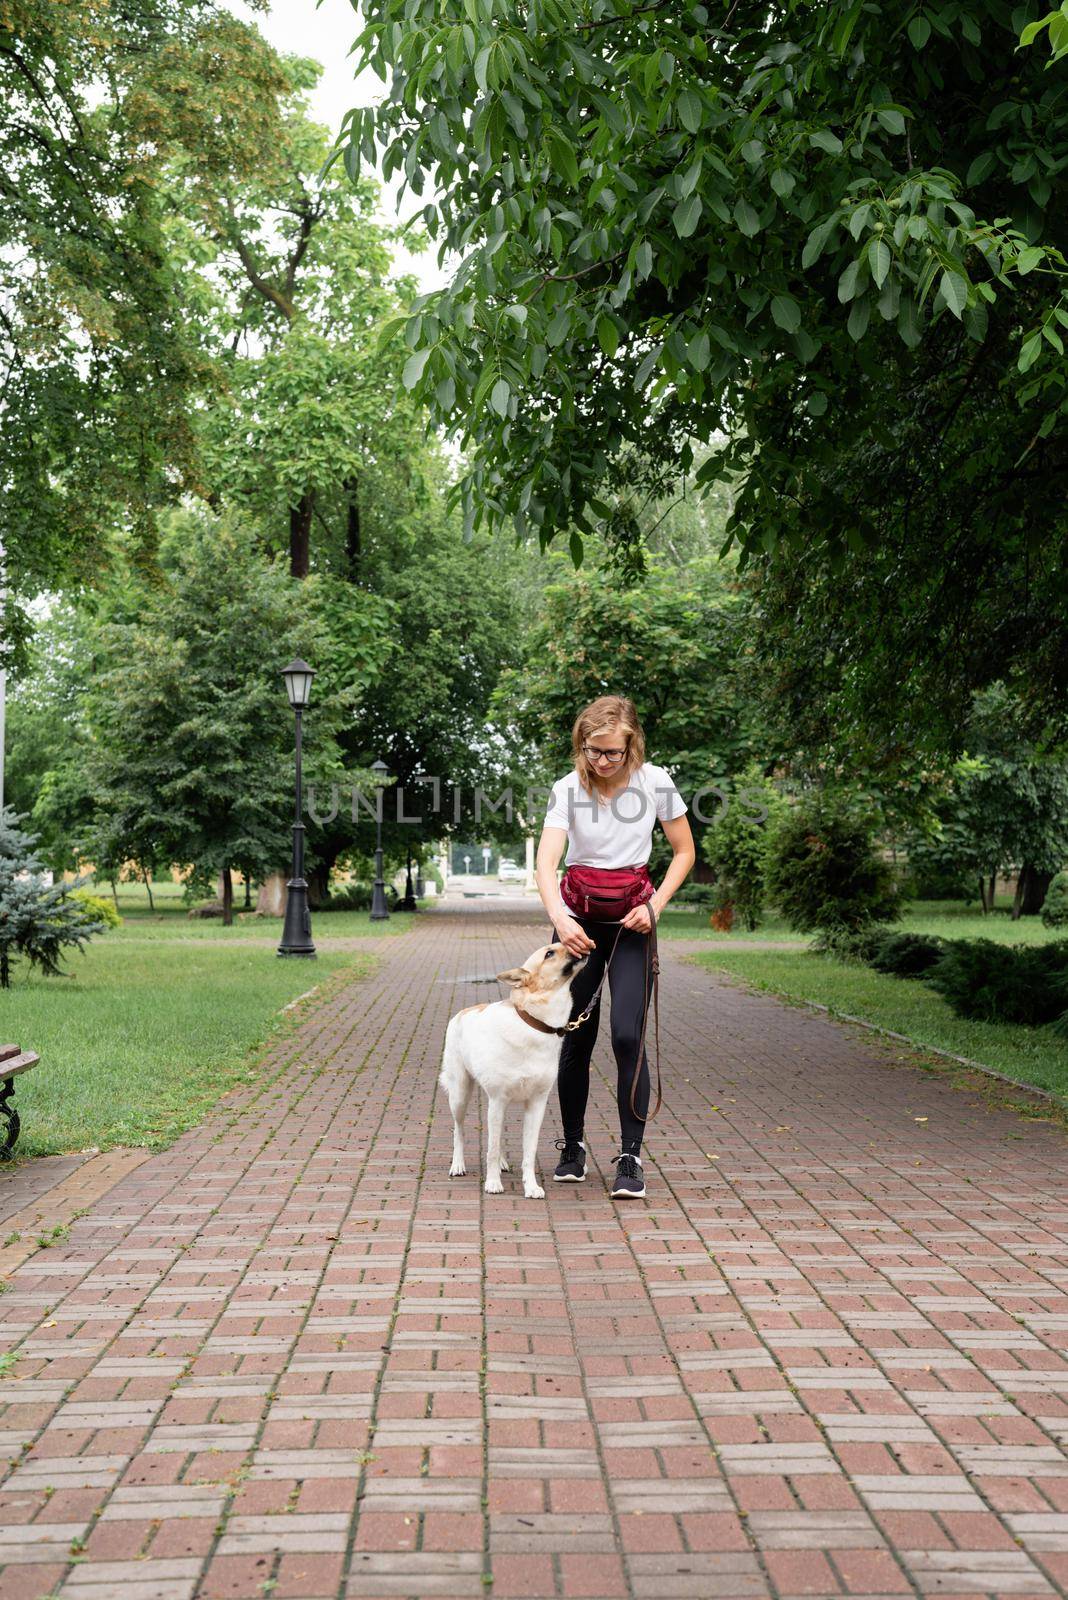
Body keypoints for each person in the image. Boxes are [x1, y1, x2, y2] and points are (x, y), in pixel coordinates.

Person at [535, 695, 696, 1198]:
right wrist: (560, 921)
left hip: (633, 924)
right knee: (574, 1036)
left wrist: (655, 907)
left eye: (612, 753)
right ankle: (573, 1147)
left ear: (633, 748)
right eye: (592, 750)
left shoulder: (656, 783)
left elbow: (685, 851)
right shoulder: (567, 788)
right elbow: (546, 864)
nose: (601, 762)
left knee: (628, 1035)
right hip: (577, 924)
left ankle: (630, 1156)